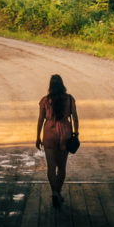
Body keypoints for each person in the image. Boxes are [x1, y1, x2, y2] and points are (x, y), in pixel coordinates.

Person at [35, 74, 78, 209]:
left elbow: (41, 120)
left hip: (49, 132)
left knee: (51, 167)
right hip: (65, 132)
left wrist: (38, 137)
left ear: (50, 86)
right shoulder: (70, 100)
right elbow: (75, 118)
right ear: (62, 85)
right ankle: (58, 192)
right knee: (62, 167)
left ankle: (54, 192)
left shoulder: (45, 101)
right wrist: (76, 134)